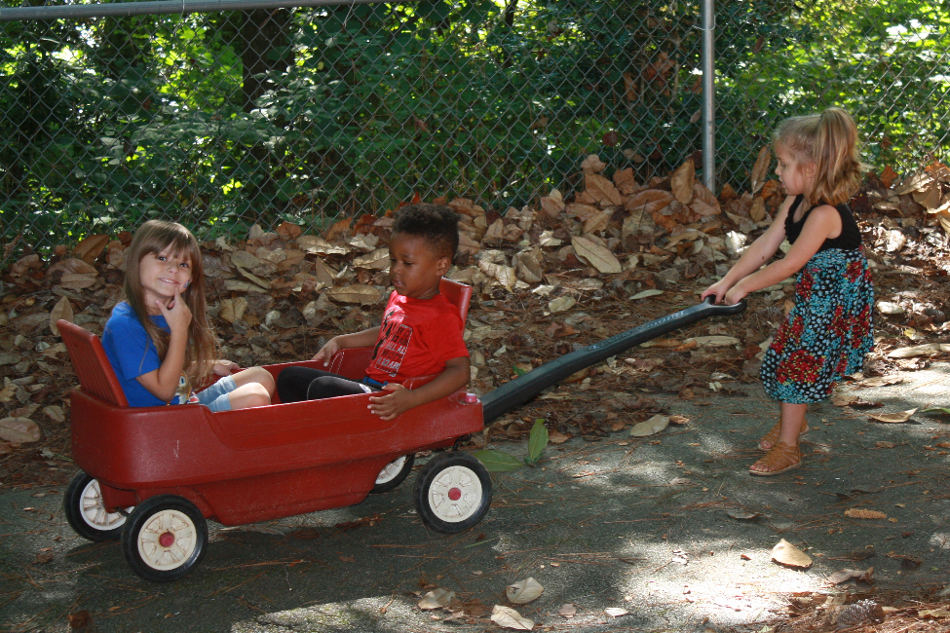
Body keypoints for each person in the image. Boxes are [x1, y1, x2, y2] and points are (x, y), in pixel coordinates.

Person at [702, 107, 873, 476]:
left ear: (809, 169)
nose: (776, 173)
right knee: (788, 358)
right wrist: (727, 281)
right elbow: (766, 245)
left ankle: (789, 447)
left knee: (799, 367)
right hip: (816, 296)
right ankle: (795, 423)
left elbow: (790, 263)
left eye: (781, 165)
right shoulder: (795, 202)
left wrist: (746, 287)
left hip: (836, 303)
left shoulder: (825, 214)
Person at [277, 203, 470, 421]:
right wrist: (341, 341)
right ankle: (303, 435)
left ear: (441, 266)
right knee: (289, 376)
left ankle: (319, 439)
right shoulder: (401, 297)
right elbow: (390, 331)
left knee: (323, 388)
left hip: (387, 401)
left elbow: (460, 371)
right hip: (369, 386)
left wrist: (411, 398)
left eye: (407, 263)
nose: (396, 269)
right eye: (393, 260)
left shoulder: (440, 316)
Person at [102, 220, 276, 410]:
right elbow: (164, 391)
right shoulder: (126, 325)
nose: (174, 268)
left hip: (184, 404)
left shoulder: (165, 312)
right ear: (136, 262)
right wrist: (179, 331)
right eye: (162, 258)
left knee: (261, 375)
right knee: (255, 397)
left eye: (183, 264)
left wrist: (206, 365)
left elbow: (159, 365)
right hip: (160, 422)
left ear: (191, 278)